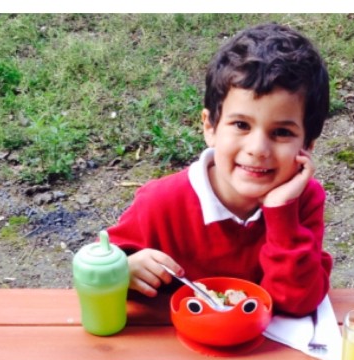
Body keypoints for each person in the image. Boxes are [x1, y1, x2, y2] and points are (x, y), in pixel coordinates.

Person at [107, 22, 333, 316]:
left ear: (308, 145)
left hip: (263, 354)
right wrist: (123, 271)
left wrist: (281, 213)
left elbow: (297, 302)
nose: (257, 149)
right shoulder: (160, 202)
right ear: (210, 127)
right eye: (241, 125)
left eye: (281, 132)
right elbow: (94, 269)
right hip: (173, 352)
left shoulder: (302, 200)